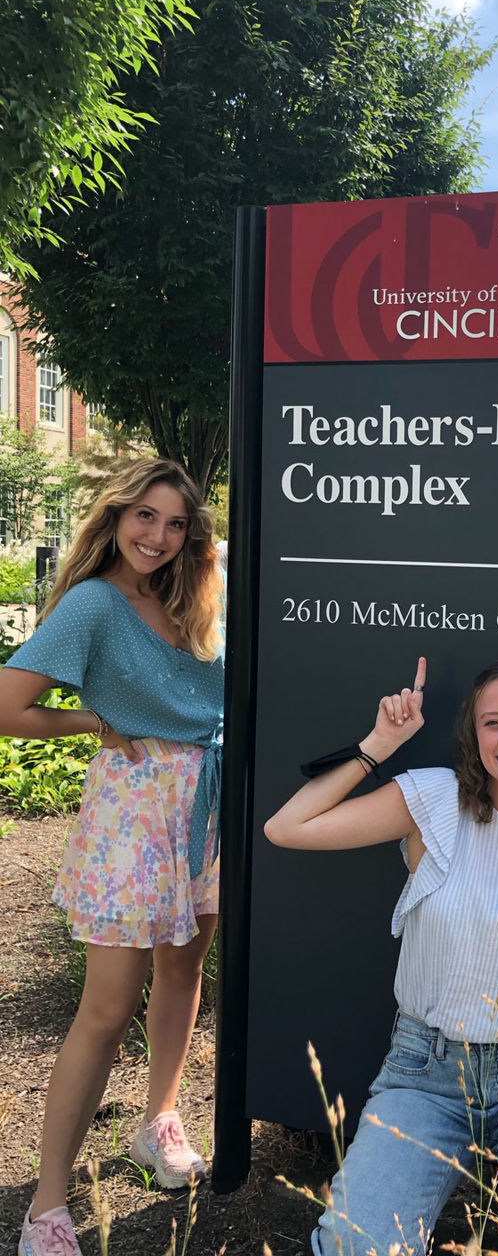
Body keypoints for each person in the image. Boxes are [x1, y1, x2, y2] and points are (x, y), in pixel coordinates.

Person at [265, 657, 498, 1256]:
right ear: (473, 733)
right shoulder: (436, 802)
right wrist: (378, 744)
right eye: (494, 722)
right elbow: (287, 827)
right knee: (354, 1247)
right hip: (426, 1075)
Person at [1, 458, 225, 1256]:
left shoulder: (196, 596)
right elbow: (7, 706)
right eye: (145, 517)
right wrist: (90, 725)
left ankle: (157, 1118)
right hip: (135, 807)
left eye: (175, 524)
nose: (158, 537)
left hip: (206, 800)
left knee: (184, 968)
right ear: (117, 515)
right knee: (105, 1006)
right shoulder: (96, 602)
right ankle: (48, 1206)